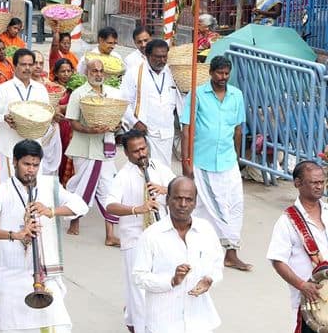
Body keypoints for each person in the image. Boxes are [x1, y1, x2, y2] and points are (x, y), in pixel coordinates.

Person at [0, 139, 88, 333]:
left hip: (46, 276)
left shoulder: (49, 185)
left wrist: (51, 210)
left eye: (36, 165)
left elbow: (80, 206)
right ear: (14, 162)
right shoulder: (1, 191)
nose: (31, 170)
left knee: (59, 328)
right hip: (11, 276)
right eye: (26, 164)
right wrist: (15, 235)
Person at [181, 55, 252, 271]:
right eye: (219, 73)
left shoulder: (236, 95)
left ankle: (231, 253)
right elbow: (186, 128)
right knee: (208, 207)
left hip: (228, 159)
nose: (223, 77)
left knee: (235, 203)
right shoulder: (197, 94)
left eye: (226, 73)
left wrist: (238, 158)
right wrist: (186, 161)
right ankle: (191, 250)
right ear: (211, 72)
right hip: (203, 161)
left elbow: (238, 129)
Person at [105, 130, 176, 333]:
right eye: (135, 151)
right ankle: (139, 328)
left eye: (143, 148)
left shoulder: (159, 168)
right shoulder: (124, 175)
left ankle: (135, 318)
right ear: (126, 154)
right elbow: (110, 205)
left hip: (160, 235)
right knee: (139, 290)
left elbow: (181, 189)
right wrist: (137, 209)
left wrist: (165, 190)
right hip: (135, 240)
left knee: (161, 284)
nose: (141, 154)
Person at [133, 176, 224, 333]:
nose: (183, 204)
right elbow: (139, 277)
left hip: (199, 323)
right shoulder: (151, 236)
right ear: (167, 199)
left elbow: (217, 265)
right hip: (163, 326)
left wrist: (210, 279)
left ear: (195, 203)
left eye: (188, 200)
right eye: (178, 198)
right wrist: (172, 280)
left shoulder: (206, 231)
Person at [65, 59, 123, 244]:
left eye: (101, 71)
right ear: (87, 73)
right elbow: (72, 122)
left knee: (108, 189)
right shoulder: (78, 94)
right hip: (84, 148)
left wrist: (116, 125)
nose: (98, 74)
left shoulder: (111, 93)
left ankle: (110, 234)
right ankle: (74, 220)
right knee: (82, 186)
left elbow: (117, 121)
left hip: (105, 149)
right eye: (94, 70)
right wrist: (90, 130)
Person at [267, 160, 328, 333]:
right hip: (311, 301)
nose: (319, 187)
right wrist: (302, 285)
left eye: (321, 182)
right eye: (313, 182)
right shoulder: (286, 221)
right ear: (298, 183)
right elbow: (278, 261)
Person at [0, 49, 60, 183]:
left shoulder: (40, 89)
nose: (27, 68)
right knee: (10, 188)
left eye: (30, 64)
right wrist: (4, 118)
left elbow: (46, 115)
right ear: (14, 66)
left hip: (34, 146)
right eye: (23, 64)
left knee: (34, 187)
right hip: (10, 146)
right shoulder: (3, 89)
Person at [121, 39, 181, 168]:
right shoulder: (134, 73)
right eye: (158, 57)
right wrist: (135, 122)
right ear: (147, 56)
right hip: (144, 132)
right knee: (143, 170)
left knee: (163, 170)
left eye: (165, 56)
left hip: (166, 132)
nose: (162, 60)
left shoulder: (173, 73)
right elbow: (123, 102)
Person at [52, 59, 75, 186]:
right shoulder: (52, 88)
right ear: (56, 73)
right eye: (62, 71)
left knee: (68, 157)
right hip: (57, 127)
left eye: (68, 71)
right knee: (57, 156)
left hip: (71, 128)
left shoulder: (75, 87)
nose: (66, 74)